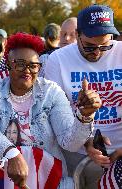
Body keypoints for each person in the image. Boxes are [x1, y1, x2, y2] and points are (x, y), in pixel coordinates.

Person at [0, 32, 101, 188]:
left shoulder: (51, 92)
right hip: (4, 178)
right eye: (20, 64)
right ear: (8, 65)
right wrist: (13, 154)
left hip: (50, 178)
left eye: (33, 65)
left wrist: (85, 116)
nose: (27, 70)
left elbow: (69, 142)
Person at [45, 4, 121, 188]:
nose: (97, 52)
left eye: (105, 45)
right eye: (89, 46)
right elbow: (56, 118)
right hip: (78, 154)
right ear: (78, 34)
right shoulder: (58, 59)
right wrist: (87, 143)